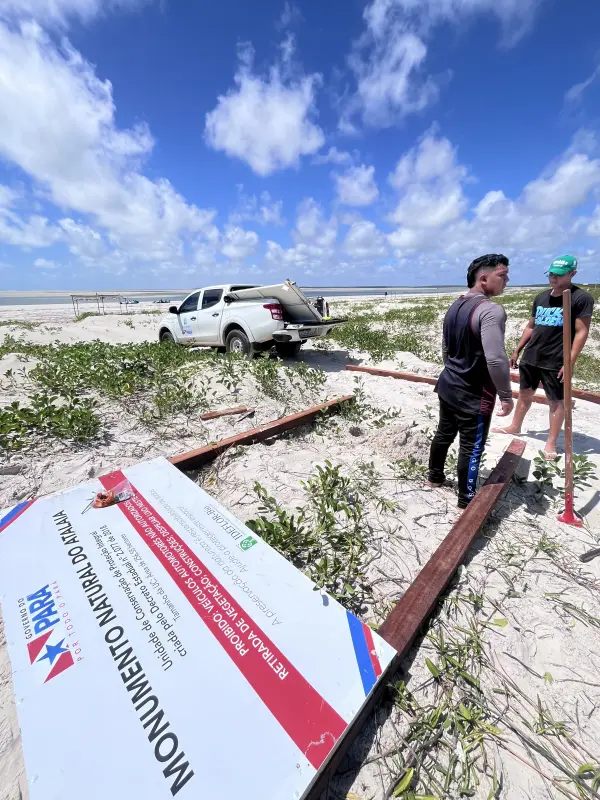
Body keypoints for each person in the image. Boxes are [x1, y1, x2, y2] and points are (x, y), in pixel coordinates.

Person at [427, 254, 514, 508]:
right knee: (471, 446)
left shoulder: (455, 305)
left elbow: (446, 348)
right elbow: (496, 359)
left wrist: (455, 370)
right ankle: (466, 499)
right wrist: (506, 396)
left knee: (443, 433)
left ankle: (434, 478)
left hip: (448, 384)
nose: (507, 280)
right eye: (502, 275)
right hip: (474, 394)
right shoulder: (490, 310)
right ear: (483, 278)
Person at [493, 255, 594, 458]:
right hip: (532, 355)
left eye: (559, 275)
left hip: (555, 359)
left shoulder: (580, 299)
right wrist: (518, 349)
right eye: (551, 274)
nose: (553, 278)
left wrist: (569, 361)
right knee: (524, 394)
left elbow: (581, 332)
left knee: (556, 401)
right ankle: (515, 425)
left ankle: (551, 442)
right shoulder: (541, 297)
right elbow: (531, 326)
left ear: (572, 274)